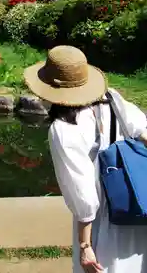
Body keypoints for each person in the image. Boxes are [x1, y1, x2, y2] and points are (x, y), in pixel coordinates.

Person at [24, 45, 147, 273]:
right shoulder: (112, 99)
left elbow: (84, 196)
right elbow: (143, 130)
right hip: (135, 204)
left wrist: (85, 245)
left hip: (105, 219)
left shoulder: (64, 128)